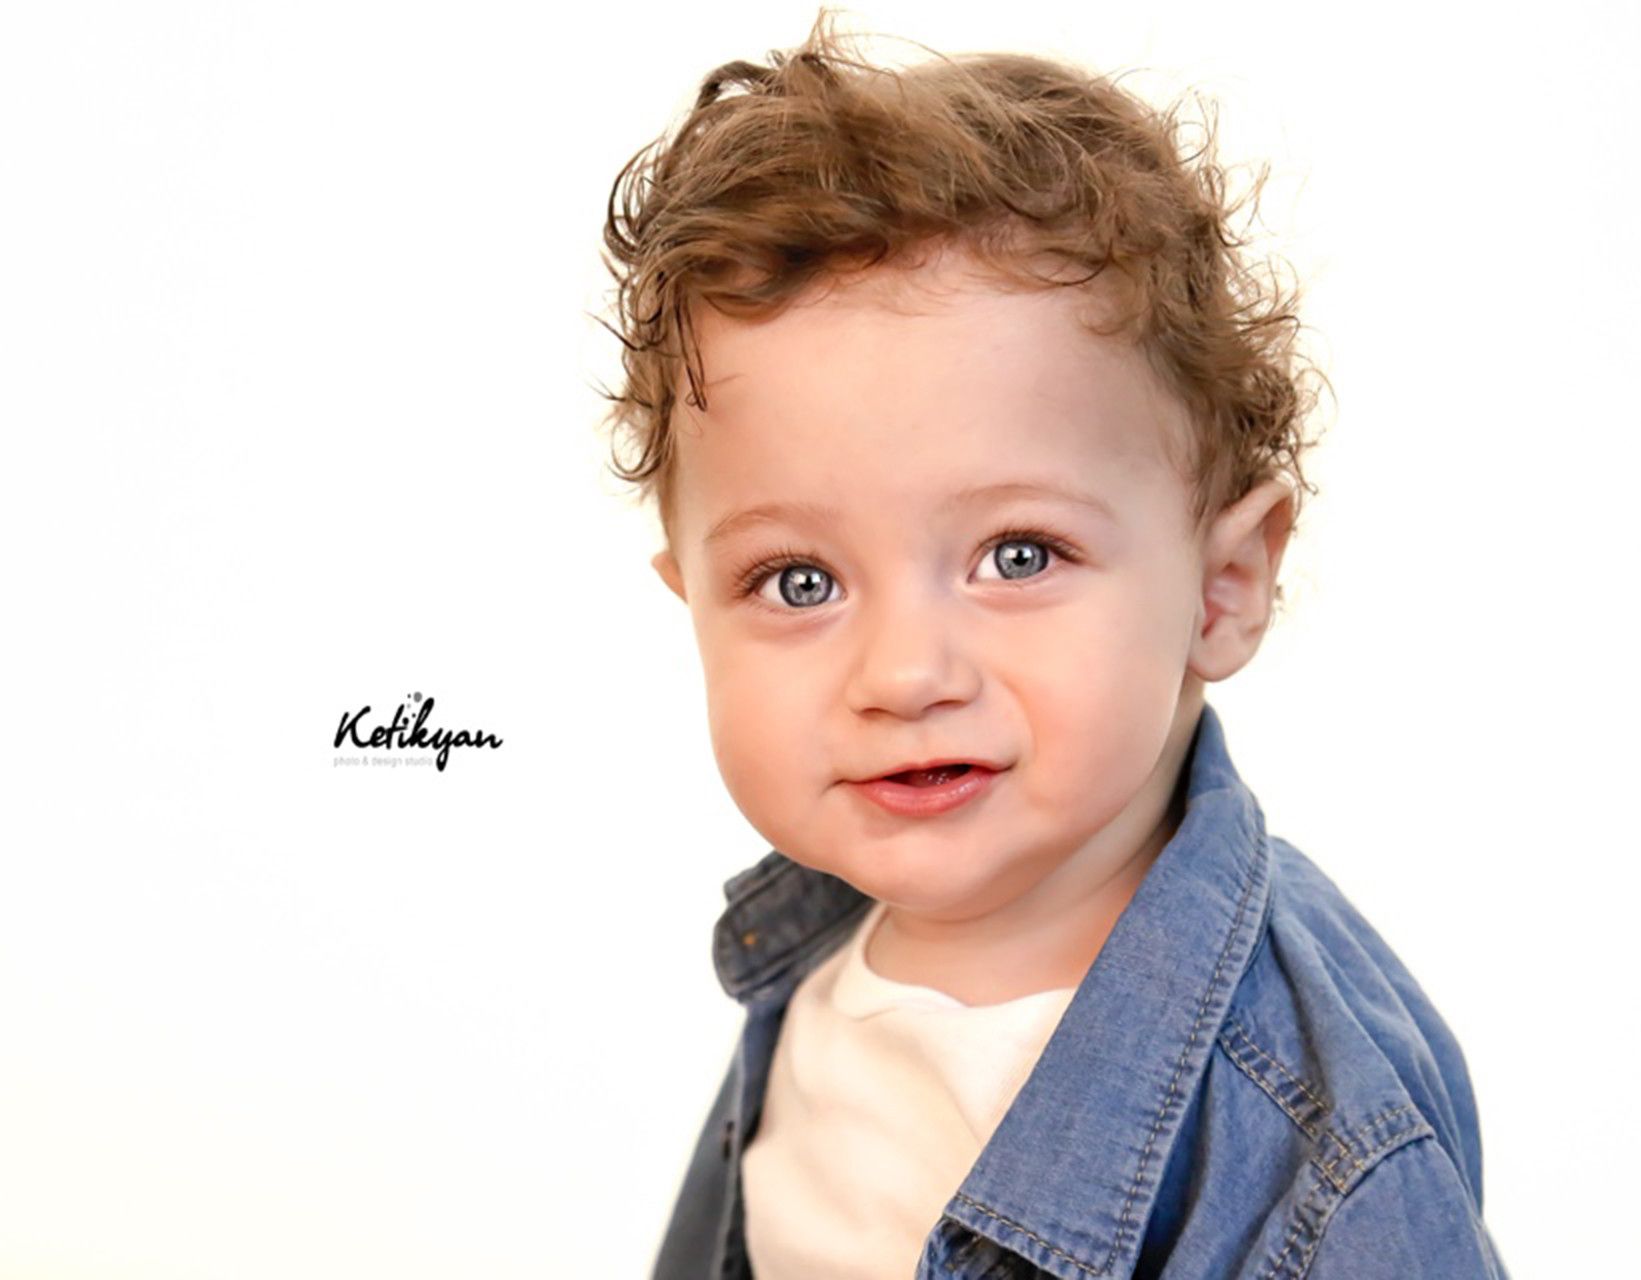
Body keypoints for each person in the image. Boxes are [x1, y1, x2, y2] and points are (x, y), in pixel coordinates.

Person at [599, 10, 1508, 1277]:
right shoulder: (820, 942)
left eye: (1018, 555)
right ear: (691, 603)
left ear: (1222, 587)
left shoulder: (1320, 1151)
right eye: (799, 581)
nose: (905, 674)